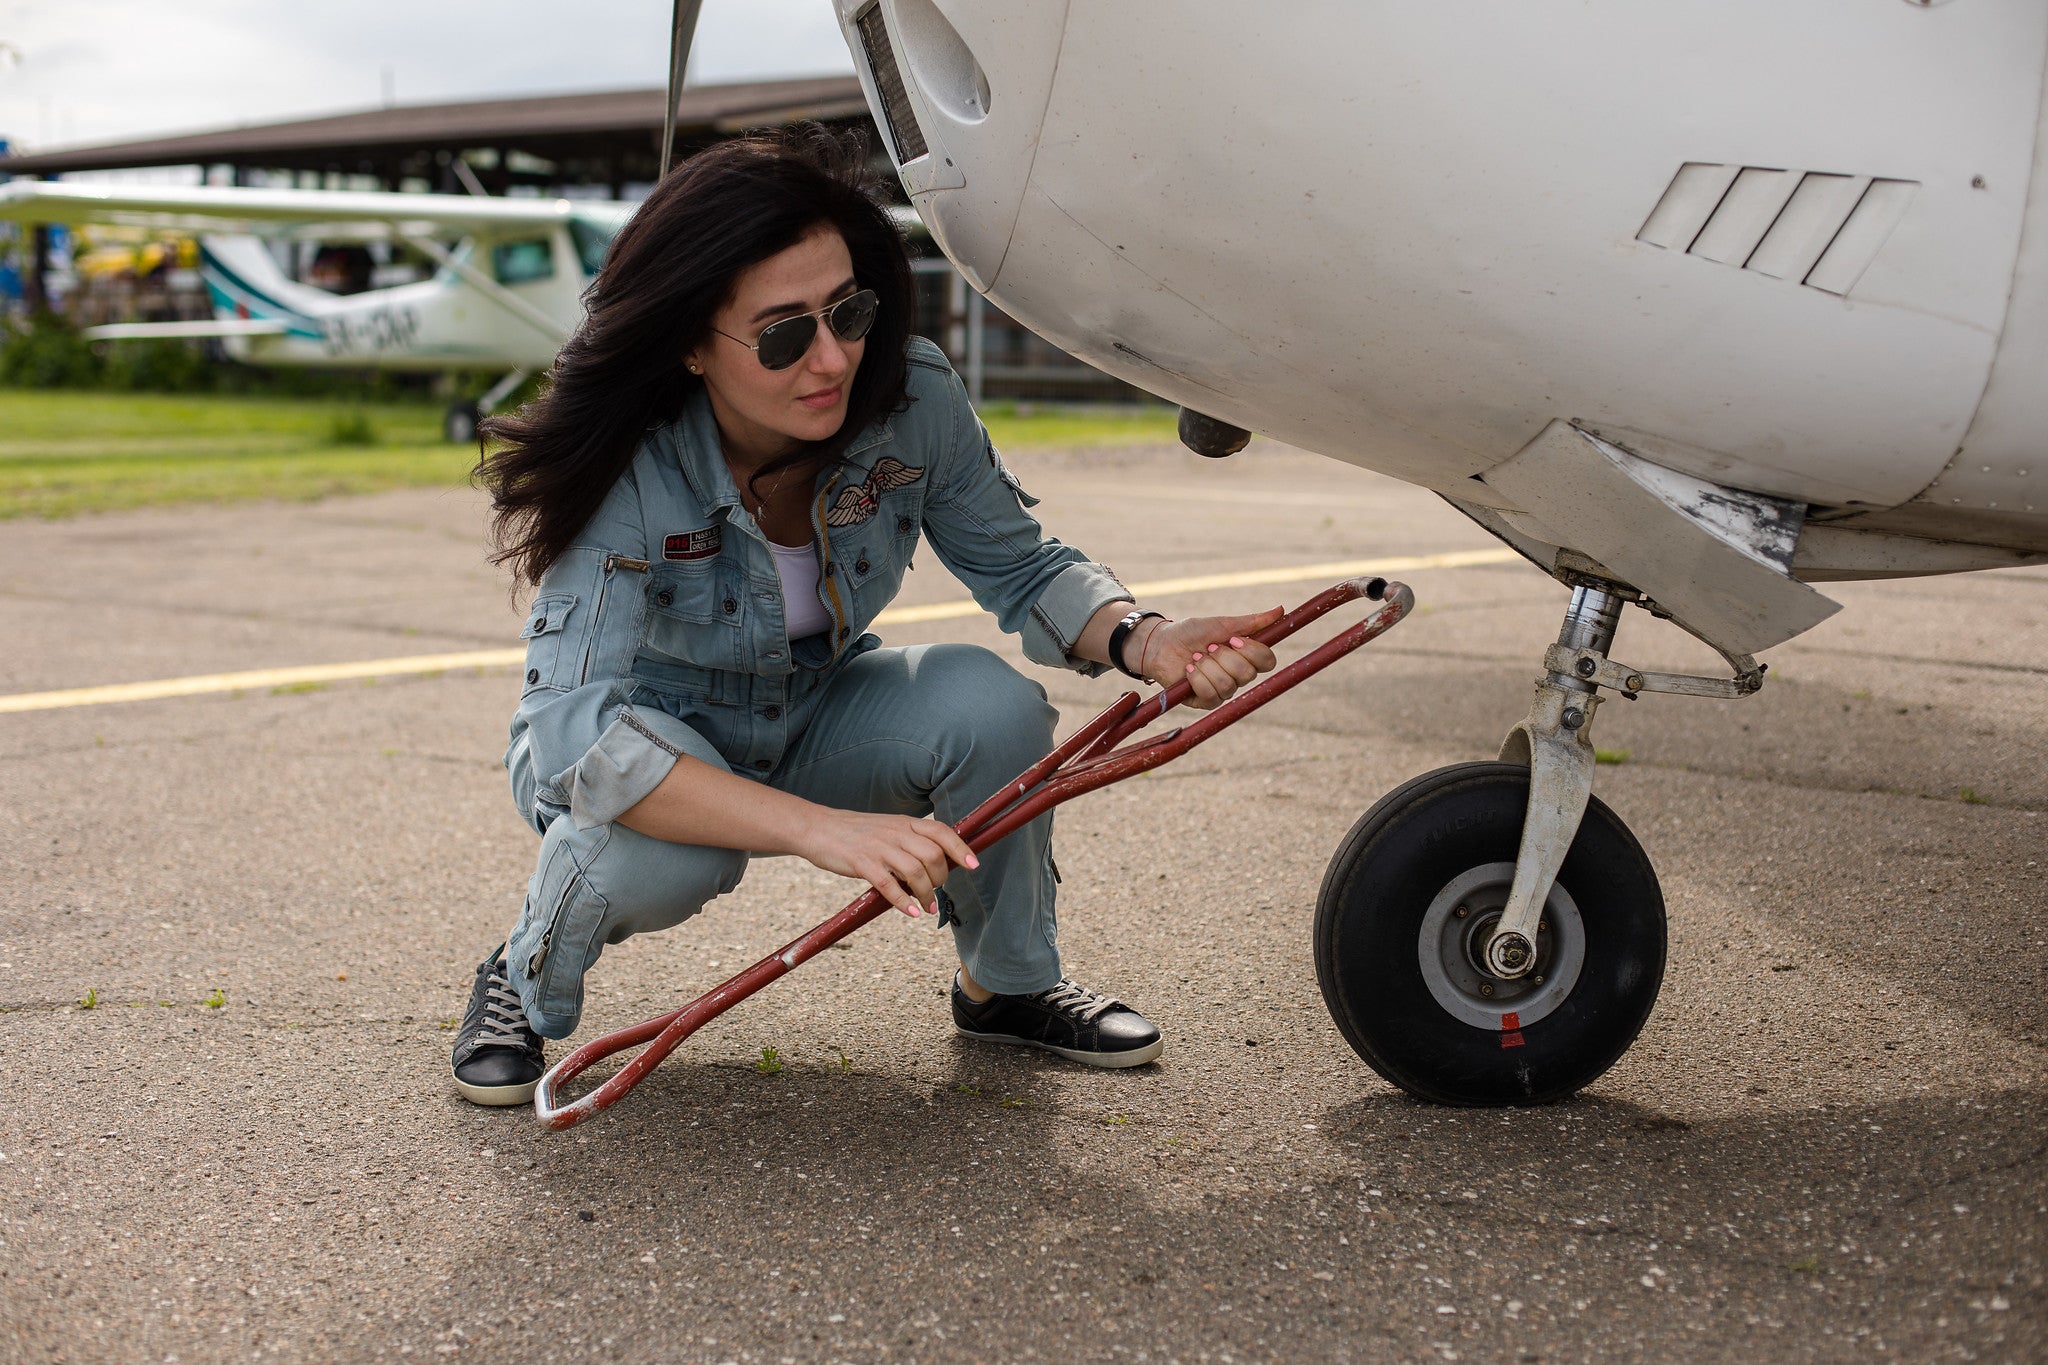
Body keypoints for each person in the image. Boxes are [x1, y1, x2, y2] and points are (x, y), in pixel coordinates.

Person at [450, 126, 1280, 1106]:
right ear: (687, 344)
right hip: (648, 741)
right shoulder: (625, 458)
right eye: (781, 332)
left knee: (990, 709)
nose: (831, 357)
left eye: (845, 311)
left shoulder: (910, 393)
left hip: (811, 705)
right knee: (654, 858)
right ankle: (520, 979)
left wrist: (1146, 638)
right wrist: (820, 831)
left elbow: (1019, 564)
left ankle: (1005, 986)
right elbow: (573, 737)